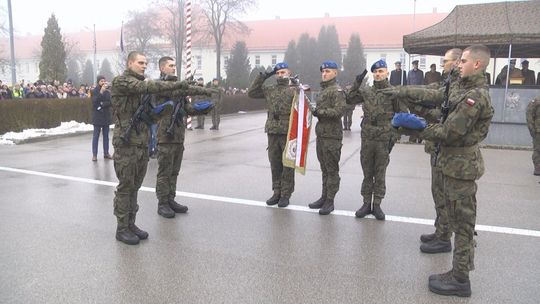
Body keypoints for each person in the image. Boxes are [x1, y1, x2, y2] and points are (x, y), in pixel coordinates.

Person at [401, 44, 494, 297]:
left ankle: (460, 279)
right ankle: (457, 271)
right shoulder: (462, 88)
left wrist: (416, 130)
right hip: (453, 163)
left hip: (461, 168)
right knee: (455, 219)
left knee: (463, 225)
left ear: (477, 64)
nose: (457, 65)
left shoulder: (475, 96)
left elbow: (450, 131)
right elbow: (442, 112)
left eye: (462, 61)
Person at [381, 48, 463, 253]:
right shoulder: (448, 84)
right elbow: (428, 91)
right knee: (437, 192)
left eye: (446, 61)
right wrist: (407, 95)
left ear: (457, 62)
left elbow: (433, 98)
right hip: (438, 147)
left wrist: (404, 93)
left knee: (445, 195)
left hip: (450, 149)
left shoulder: (458, 88)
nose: (443, 64)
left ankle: (444, 237)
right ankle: (440, 231)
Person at [110, 51, 193, 245]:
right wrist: (177, 85)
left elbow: (148, 117)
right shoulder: (122, 82)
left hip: (141, 144)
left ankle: (131, 224)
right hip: (126, 143)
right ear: (130, 63)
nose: (144, 66)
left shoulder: (141, 89)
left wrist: (161, 112)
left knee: (135, 187)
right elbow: (147, 86)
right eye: (140, 62)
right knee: (125, 187)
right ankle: (122, 228)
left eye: (146, 63)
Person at [346, 59, 408, 220]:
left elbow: (402, 116)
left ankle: (377, 204)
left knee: (380, 172)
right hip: (367, 137)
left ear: (387, 72)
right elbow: (350, 98)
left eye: (381, 71)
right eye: (375, 72)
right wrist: (357, 81)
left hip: (384, 138)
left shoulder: (394, 92)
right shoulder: (367, 91)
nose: (378, 74)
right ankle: (366, 203)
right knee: (367, 172)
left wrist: (393, 137)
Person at [154, 56, 214, 218]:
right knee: (164, 172)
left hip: (178, 135)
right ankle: (162, 203)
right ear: (162, 68)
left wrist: (200, 109)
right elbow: (171, 92)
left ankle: (171, 199)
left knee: (174, 171)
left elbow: (185, 107)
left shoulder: (177, 86)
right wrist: (191, 87)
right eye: (171, 65)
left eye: (175, 65)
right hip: (165, 135)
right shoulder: (158, 86)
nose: (174, 68)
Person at [248, 62, 296, 208]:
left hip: (288, 131)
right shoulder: (271, 89)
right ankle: (277, 191)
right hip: (273, 130)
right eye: (278, 73)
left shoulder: (294, 90)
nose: (280, 75)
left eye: (283, 72)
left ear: (289, 72)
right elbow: (252, 92)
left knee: (288, 164)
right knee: (275, 163)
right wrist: (263, 77)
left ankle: (286, 194)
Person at [307, 61, 346, 215]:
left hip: (332, 136)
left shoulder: (336, 91)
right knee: (324, 169)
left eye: (328, 71)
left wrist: (319, 112)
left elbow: (338, 112)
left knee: (332, 170)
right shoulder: (324, 90)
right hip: (322, 135)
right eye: (323, 71)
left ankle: (330, 201)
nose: (324, 74)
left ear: (335, 73)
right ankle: (324, 197)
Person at [91, 75, 113, 161]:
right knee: (96, 136)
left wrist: (102, 104)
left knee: (106, 136)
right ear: (98, 82)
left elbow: (110, 102)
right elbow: (94, 102)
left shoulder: (108, 92)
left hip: (106, 116)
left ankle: (106, 153)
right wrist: (101, 92)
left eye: (104, 81)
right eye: (101, 81)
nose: (103, 83)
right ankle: (94, 154)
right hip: (97, 117)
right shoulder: (94, 91)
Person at [526, 96, 540, 175]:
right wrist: (532, 129)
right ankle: (538, 168)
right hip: (538, 131)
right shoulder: (536, 101)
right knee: (538, 149)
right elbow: (529, 114)